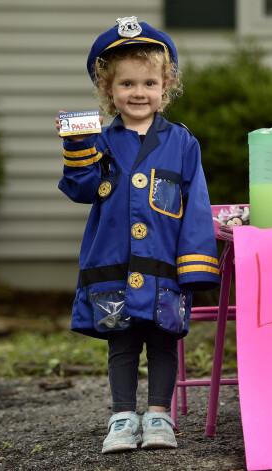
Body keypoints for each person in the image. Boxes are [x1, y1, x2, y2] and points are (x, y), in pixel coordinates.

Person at [55, 17, 220, 454]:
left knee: (164, 340)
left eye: (149, 82)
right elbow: (82, 190)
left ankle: (160, 415)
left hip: (163, 262)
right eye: (127, 83)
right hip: (114, 262)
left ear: (166, 87)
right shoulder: (99, 140)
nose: (139, 92)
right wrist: (77, 150)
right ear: (109, 90)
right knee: (122, 342)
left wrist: (197, 266)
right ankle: (123, 417)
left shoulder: (182, 143)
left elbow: (197, 206)